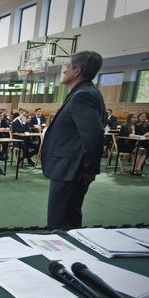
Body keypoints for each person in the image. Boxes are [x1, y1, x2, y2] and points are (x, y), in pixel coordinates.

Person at [41, 51, 106, 229]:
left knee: (60, 223)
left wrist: (88, 169)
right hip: (70, 168)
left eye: (67, 67)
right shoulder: (83, 93)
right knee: (67, 219)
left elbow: (94, 136)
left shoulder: (83, 95)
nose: (64, 71)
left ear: (77, 71)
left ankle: (64, 256)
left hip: (72, 170)